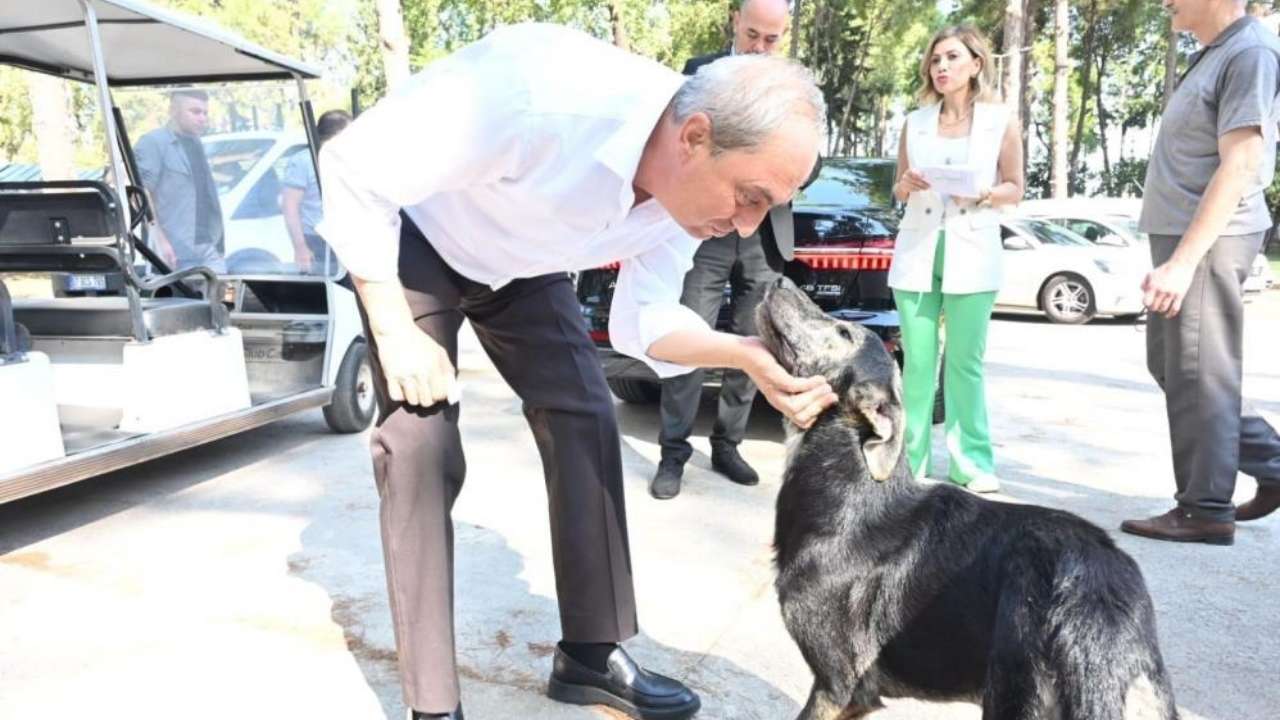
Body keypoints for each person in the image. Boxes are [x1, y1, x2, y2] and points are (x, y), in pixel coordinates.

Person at [317, 23, 834, 720]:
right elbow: (354, 164)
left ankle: (592, 654)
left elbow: (640, 320)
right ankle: (432, 705)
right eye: (750, 196)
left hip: (522, 267)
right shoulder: (540, 93)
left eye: (767, 206)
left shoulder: (690, 204)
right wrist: (392, 329)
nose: (747, 226)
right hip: (417, 238)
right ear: (694, 137)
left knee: (587, 413)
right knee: (420, 440)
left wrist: (741, 353)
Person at [1120, 0, 1280, 545]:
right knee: (1175, 366)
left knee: (1199, 374)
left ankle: (1205, 508)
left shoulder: (1250, 51)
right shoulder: (1216, 53)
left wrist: (1185, 260)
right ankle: (1274, 463)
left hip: (1209, 238)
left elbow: (1241, 163)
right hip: (1185, 236)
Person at [650, 0, 792, 500]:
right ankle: (673, 453)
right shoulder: (696, 73)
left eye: (771, 39)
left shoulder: (791, 86)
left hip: (762, 234)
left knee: (754, 341)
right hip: (702, 230)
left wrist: (778, 178)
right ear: (735, 20)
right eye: (753, 34)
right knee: (690, 334)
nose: (760, 47)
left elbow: (809, 158)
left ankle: (728, 445)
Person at [888, 25, 1024, 495]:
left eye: (951, 58)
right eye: (934, 60)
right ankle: (910, 460)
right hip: (917, 249)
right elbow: (898, 187)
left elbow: (1016, 187)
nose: (941, 67)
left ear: (976, 64)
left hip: (974, 245)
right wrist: (905, 185)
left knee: (965, 362)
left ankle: (972, 465)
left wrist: (985, 192)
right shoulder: (915, 121)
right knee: (918, 364)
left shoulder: (1000, 120)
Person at [133, 88, 225, 272]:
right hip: (174, 252)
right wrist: (159, 240)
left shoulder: (197, 143)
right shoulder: (154, 142)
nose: (202, 118)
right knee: (181, 300)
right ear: (173, 110)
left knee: (220, 299)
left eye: (205, 113)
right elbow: (138, 195)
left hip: (207, 247)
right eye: (195, 111)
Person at [282, 109, 352, 274]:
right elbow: (289, 206)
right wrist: (300, 247)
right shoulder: (303, 161)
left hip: (346, 238)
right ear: (337, 135)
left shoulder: (347, 159)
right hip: (316, 241)